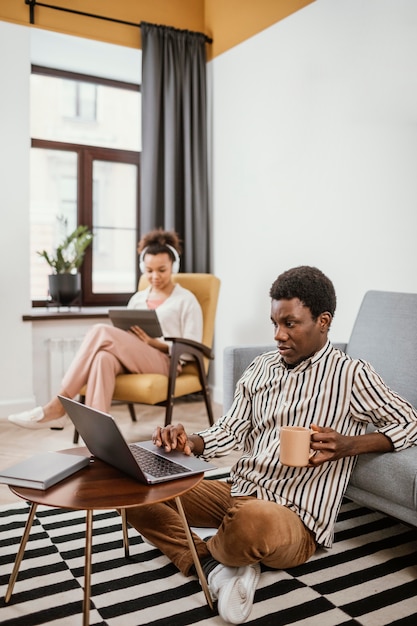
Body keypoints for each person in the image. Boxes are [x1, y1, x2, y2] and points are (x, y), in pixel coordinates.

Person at [124, 265, 417, 625]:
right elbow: (230, 430)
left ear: (323, 321)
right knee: (134, 486)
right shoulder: (262, 367)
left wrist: (350, 444)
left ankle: (230, 549)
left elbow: (410, 421)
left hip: (293, 517)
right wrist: (191, 441)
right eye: (275, 323)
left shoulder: (351, 374)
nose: (278, 335)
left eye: (290, 323)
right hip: (237, 492)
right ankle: (215, 565)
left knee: (251, 521)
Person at [8, 228, 203, 430]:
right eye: (149, 270)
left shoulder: (186, 300)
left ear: (174, 266)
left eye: (161, 270)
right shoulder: (137, 299)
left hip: (165, 362)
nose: (155, 276)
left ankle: (59, 404)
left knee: (100, 331)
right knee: (103, 358)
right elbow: (125, 335)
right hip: (133, 358)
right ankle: (98, 434)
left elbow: (192, 346)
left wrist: (153, 343)